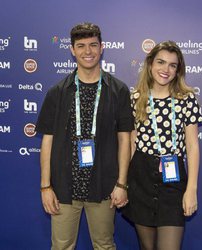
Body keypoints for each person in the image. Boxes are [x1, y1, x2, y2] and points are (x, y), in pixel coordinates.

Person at [36, 22, 134, 250]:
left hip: (103, 186)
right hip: (63, 187)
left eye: (93, 45)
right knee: (61, 246)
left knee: (104, 245)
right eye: (80, 46)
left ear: (102, 48)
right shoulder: (57, 92)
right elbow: (47, 143)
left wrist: (122, 183)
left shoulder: (118, 90)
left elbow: (124, 140)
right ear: (72, 50)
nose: (87, 52)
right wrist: (45, 187)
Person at [122, 41, 202, 250]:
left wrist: (191, 189)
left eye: (172, 65)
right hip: (140, 178)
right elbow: (131, 143)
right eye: (161, 62)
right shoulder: (136, 99)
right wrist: (124, 184)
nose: (165, 70)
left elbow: (192, 146)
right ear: (150, 64)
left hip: (173, 181)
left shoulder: (187, 99)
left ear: (178, 70)